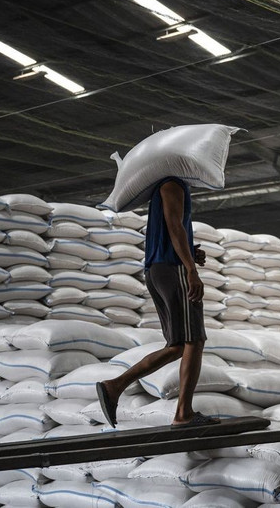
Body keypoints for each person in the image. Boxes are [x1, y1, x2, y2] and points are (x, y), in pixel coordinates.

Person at [96, 177, 219, 427]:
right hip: (172, 270)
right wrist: (190, 269)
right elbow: (175, 227)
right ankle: (183, 413)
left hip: (159, 269)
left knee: (177, 346)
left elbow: (169, 232)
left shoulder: (162, 186)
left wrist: (190, 252)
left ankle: (114, 386)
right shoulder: (172, 184)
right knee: (194, 340)